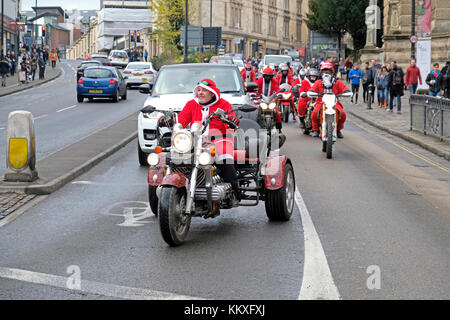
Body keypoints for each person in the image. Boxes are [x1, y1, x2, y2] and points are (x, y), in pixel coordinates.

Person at [177, 79, 241, 204]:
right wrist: (171, 123)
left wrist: (231, 120)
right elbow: (181, 120)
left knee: (225, 159)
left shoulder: (223, 104)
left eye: (204, 90)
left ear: (212, 93)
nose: (200, 93)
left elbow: (232, 120)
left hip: (220, 139)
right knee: (178, 158)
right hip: (196, 140)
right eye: (199, 90)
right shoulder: (191, 104)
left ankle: (234, 191)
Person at [309, 61, 350, 139]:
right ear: (321, 73)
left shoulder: (337, 82)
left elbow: (344, 88)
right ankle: (315, 130)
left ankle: (338, 130)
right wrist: (310, 92)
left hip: (334, 102)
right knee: (314, 113)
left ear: (332, 73)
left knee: (342, 114)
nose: (326, 74)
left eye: (328, 72)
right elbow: (312, 89)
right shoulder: (318, 82)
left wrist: (346, 91)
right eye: (324, 72)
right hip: (321, 102)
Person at [256, 66, 283, 132]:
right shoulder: (259, 81)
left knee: (277, 114)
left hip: (271, 100)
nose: (268, 78)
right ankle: (255, 128)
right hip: (260, 100)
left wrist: (279, 94)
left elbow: (277, 89)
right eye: (266, 76)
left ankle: (279, 130)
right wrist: (254, 94)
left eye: (270, 76)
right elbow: (255, 89)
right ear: (263, 76)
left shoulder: (274, 81)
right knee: (255, 113)